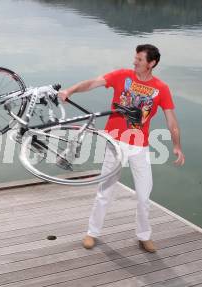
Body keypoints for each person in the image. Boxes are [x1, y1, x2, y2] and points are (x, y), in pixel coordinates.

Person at [58, 44, 185, 253]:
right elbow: (93, 83)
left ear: (152, 63)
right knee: (105, 191)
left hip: (139, 147)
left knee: (144, 195)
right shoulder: (121, 75)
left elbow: (171, 119)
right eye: (135, 58)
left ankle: (144, 236)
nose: (135, 62)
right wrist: (69, 90)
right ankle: (92, 232)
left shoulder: (161, 88)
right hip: (115, 142)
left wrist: (177, 145)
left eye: (140, 60)